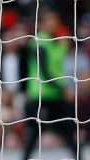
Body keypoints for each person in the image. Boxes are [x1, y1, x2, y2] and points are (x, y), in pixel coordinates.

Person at [19, 10, 78, 159]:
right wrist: (63, 90)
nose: (54, 23)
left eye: (55, 19)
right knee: (33, 135)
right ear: (42, 24)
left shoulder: (56, 42)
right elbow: (44, 71)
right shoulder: (39, 42)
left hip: (56, 97)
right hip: (40, 96)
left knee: (69, 133)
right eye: (50, 20)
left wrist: (65, 46)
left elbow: (58, 63)